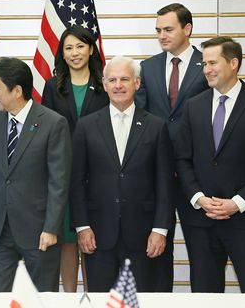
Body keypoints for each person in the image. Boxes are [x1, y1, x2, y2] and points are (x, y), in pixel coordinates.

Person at [70, 56, 174, 292]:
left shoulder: (156, 126)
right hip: (97, 234)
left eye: (125, 79)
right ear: (104, 85)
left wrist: (160, 230)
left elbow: (165, 183)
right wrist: (82, 226)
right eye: (113, 80)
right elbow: (76, 182)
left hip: (144, 235)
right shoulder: (86, 126)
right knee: (100, 300)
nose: (118, 85)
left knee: (142, 300)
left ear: (137, 83)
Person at [175, 37, 245, 295]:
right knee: (204, 296)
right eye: (204, 63)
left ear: (234, 63)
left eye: (213, 62)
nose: (206, 69)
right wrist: (198, 198)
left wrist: (237, 203)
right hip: (201, 221)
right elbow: (182, 158)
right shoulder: (193, 106)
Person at [0, 57, 71, 292]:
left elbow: (58, 182)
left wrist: (50, 228)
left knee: (41, 299)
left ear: (17, 90)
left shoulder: (53, 123)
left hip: (39, 231)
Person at [135, 3, 209, 291]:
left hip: (196, 177)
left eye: (168, 29)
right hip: (156, 177)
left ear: (187, 29)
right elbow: (142, 119)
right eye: (158, 31)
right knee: (157, 255)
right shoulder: (147, 67)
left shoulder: (208, 65)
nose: (162, 36)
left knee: (202, 257)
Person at [41, 25, 109, 292]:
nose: (74, 53)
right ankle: (69, 297)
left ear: (91, 49)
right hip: (63, 173)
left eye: (80, 46)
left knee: (92, 239)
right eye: (68, 48)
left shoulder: (105, 84)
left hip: (99, 172)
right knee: (67, 239)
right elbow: (45, 129)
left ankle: (93, 296)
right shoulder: (52, 86)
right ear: (62, 53)